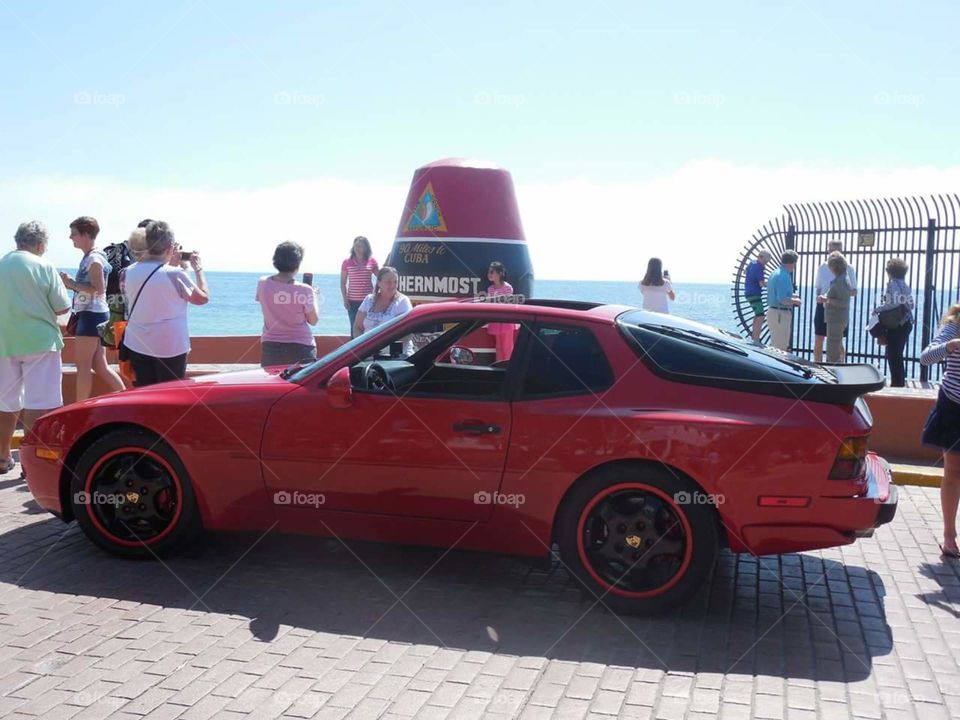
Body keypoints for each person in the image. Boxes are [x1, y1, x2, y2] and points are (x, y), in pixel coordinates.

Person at [0, 222, 71, 474]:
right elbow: (62, 307)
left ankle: (2, 456)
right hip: (40, 342)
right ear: (40, 245)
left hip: (5, 341)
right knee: (39, 402)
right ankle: (29, 465)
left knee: (6, 401)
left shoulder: (2, 264)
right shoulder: (44, 266)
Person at [120, 221, 209, 386]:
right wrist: (199, 269)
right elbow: (202, 298)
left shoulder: (127, 272)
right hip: (170, 346)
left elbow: (151, 291)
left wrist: (170, 264)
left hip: (137, 343)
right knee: (169, 396)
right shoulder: (175, 274)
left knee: (144, 394)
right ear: (169, 247)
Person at [59, 217, 125, 401]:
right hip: (96, 314)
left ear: (85, 235)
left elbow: (98, 290)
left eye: (74, 234)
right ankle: (124, 397)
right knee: (99, 365)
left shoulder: (94, 259)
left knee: (82, 367)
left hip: (91, 316)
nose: (71, 237)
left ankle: (80, 407)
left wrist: (70, 283)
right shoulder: (94, 257)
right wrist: (73, 283)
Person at [919, 302, 960, 558]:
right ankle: (949, 535)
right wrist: (950, 346)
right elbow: (926, 356)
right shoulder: (954, 325)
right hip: (954, 407)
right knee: (953, 473)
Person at [256, 242, 319, 367]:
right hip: (301, 346)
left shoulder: (262, 283)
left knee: (272, 385)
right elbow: (313, 320)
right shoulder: (305, 290)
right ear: (297, 263)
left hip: (271, 345)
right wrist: (314, 295)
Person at [867, 258, 914, 387]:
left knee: (892, 354)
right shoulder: (905, 285)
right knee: (897, 353)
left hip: (896, 324)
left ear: (890, 272)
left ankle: (897, 384)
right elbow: (911, 305)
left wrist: (879, 309)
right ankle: (899, 382)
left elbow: (893, 303)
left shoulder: (892, 284)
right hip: (907, 322)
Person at [814, 240, 858, 362]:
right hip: (822, 306)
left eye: (834, 251)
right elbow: (818, 287)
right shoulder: (822, 267)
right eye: (830, 250)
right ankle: (817, 366)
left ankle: (840, 364)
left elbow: (854, 291)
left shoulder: (848, 268)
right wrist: (821, 298)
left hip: (837, 310)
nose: (831, 253)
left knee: (837, 341)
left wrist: (835, 295)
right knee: (819, 338)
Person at [354, 266, 411, 336]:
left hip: (393, 346)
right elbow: (357, 327)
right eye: (388, 282)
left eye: (395, 282)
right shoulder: (368, 300)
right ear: (379, 283)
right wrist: (362, 345)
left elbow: (406, 331)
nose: (392, 285)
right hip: (369, 346)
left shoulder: (402, 302)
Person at [341, 236, 379, 337]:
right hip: (352, 302)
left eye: (360, 246)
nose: (358, 248)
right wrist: (345, 299)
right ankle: (355, 352)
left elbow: (380, 278)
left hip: (368, 302)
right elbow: (343, 283)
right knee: (354, 328)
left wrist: (376, 293)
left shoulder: (372, 261)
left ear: (366, 247)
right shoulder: (347, 262)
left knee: (368, 328)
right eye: (356, 246)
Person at [818, 252, 852, 364]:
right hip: (837, 318)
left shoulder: (841, 281)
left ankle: (835, 370)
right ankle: (839, 365)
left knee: (833, 347)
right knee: (837, 344)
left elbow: (843, 302)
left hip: (836, 318)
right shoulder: (842, 279)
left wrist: (826, 300)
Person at [766, 251, 801, 352]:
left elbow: (776, 294)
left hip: (773, 312)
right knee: (780, 348)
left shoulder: (775, 273)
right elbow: (782, 300)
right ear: (792, 262)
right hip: (780, 314)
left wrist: (792, 296)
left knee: (774, 344)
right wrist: (796, 301)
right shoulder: (784, 276)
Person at [485, 261, 517, 362]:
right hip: (495, 320)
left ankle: (508, 368)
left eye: (492, 272)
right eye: (489, 272)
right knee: (498, 346)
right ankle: (499, 367)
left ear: (500, 273)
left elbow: (508, 304)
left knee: (507, 346)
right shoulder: (490, 289)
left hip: (506, 321)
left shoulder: (507, 288)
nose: (489, 274)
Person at [744, 250, 771, 341]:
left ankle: (754, 337)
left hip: (748, 292)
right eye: (765, 261)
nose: (765, 264)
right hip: (754, 293)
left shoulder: (752, 262)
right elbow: (761, 284)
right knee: (760, 316)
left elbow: (745, 271)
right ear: (761, 257)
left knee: (758, 314)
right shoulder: (759, 267)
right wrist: (772, 284)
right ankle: (756, 338)